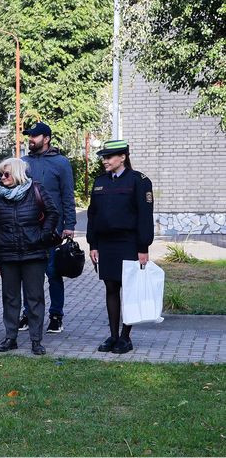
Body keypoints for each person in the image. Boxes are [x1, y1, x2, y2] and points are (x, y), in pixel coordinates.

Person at [0, 157, 58, 356]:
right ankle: (11, 338)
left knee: (34, 298)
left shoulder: (36, 189)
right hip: (7, 255)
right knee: (10, 298)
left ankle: (36, 340)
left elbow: (53, 213)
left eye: (6, 174)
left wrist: (42, 235)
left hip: (34, 254)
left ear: (17, 173)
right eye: (0, 174)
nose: (2, 177)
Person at [87, 139, 154, 355]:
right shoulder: (100, 182)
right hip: (106, 244)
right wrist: (93, 244)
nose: (104, 161)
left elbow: (145, 216)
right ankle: (113, 336)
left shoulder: (138, 181)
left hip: (129, 243)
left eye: (109, 157)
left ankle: (126, 337)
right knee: (111, 289)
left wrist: (143, 247)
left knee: (130, 291)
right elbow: (92, 215)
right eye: (104, 157)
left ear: (123, 157)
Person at [20, 122, 77, 334]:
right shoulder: (23, 162)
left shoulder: (61, 163)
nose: (30, 139)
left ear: (46, 138)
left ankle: (56, 315)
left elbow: (67, 195)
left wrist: (69, 225)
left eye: (34, 136)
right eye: (29, 136)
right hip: (27, 228)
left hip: (53, 228)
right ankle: (28, 313)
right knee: (28, 273)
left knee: (53, 273)